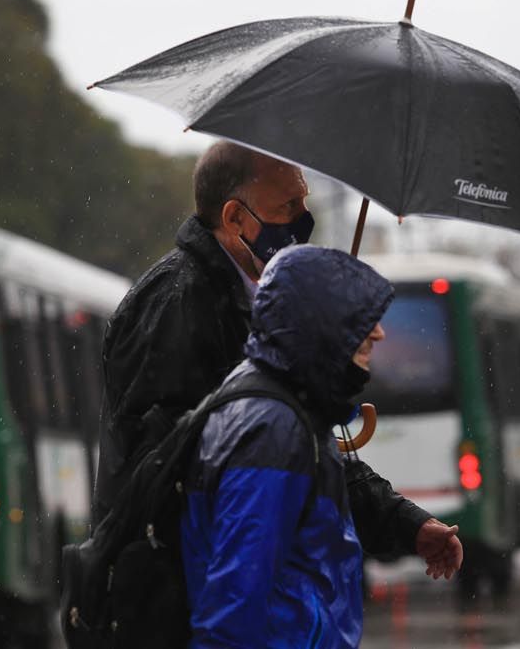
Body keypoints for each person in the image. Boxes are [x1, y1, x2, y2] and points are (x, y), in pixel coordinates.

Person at [94, 140, 462, 570]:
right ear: (234, 218)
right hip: (186, 596)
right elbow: (187, 470)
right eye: (289, 206)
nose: (304, 220)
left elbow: (297, 446)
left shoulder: (255, 301)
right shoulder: (178, 305)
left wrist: (406, 524)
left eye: (305, 203)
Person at [181, 245, 431, 647]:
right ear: (322, 325)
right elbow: (235, 599)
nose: (379, 332)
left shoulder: (285, 406)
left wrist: (408, 525)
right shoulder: (273, 430)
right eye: (360, 318)